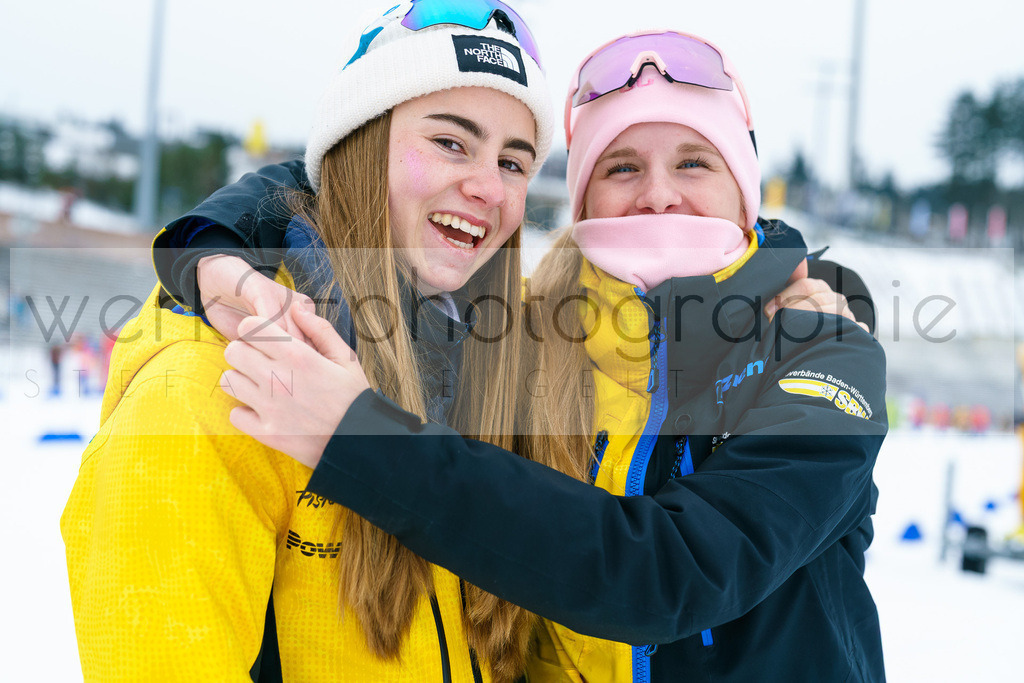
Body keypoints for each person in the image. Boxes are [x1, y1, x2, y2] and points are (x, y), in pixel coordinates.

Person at [210, 30, 888, 682]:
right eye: (622, 167)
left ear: (744, 189)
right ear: (582, 197)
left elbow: (669, 578)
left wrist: (360, 441)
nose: (657, 194)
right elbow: (349, 184)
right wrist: (209, 245)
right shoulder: (521, 334)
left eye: (693, 161)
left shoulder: (822, 347)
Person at [61, 2, 557, 681]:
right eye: (450, 142)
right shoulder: (203, 393)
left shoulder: (510, 368)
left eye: (513, 162)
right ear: (359, 143)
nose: (486, 185)